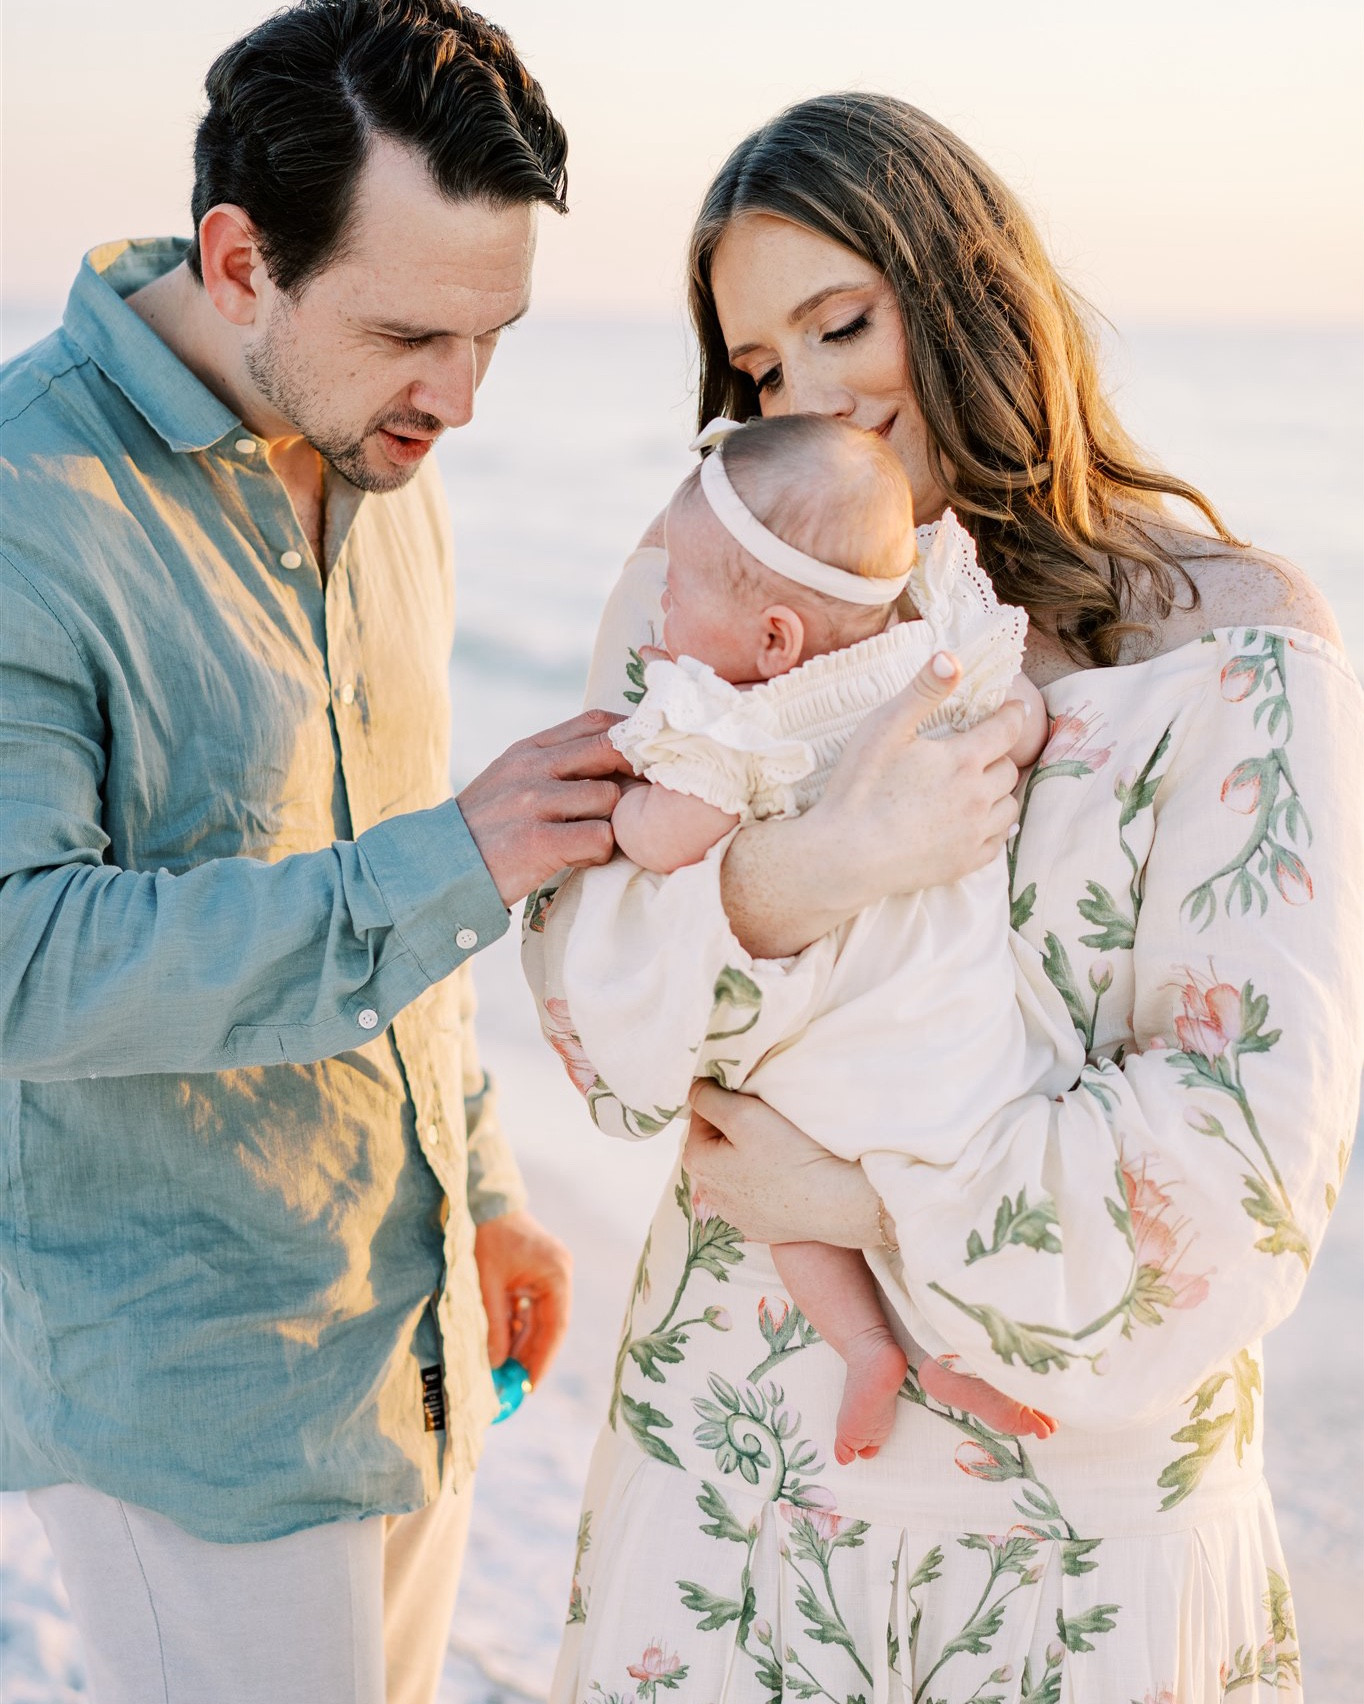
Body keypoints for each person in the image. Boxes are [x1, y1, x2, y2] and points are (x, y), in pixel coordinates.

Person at [525, 93, 1364, 1702]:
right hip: (734, 1492)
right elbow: (580, 1014)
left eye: (844, 324)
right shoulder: (722, 606)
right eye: (763, 371)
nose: (816, 395)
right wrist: (815, 868)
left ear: (975, 290)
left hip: (1078, 1554)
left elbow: (1238, 1187)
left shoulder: (1233, 651)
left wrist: (856, 1202)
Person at [0, 5, 630, 1702]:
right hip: (186, 1396)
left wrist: (483, 1188)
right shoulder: (22, 504)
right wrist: (459, 859)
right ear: (237, 259)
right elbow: (24, 960)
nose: (462, 398)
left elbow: (372, 842)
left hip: (408, 1329)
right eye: (414, 330)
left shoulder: (381, 458)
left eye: (492, 334)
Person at [537, 409, 1067, 1468]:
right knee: (937, 1159)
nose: (659, 617)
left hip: (832, 1024)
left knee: (781, 1168)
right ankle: (963, 1345)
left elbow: (670, 834)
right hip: (947, 1006)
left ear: (773, 639)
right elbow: (1015, 707)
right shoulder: (920, 651)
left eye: (675, 595)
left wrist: (624, 805)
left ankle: (868, 1343)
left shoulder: (727, 715)